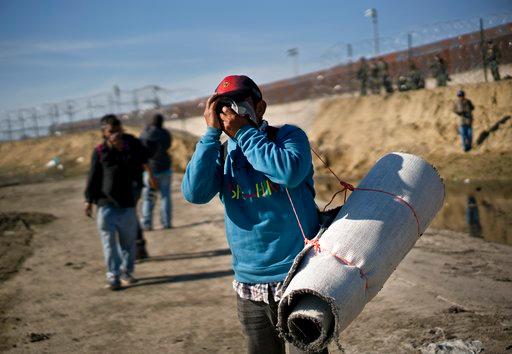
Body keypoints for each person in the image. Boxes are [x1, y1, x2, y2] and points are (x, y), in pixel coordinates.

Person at [181, 75, 325, 354]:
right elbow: (194, 193)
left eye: (239, 103)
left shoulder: (287, 137)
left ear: (260, 108)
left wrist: (245, 133)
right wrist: (211, 135)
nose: (231, 111)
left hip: (300, 275)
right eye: (224, 105)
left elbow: (288, 173)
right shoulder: (222, 153)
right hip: (250, 284)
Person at [84, 114, 155, 290]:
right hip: (105, 204)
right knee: (109, 244)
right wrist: (88, 200)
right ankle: (113, 276)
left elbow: (144, 159)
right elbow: (93, 176)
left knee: (128, 244)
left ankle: (126, 272)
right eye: (111, 131)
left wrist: (148, 176)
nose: (115, 134)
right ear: (104, 133)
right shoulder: (100, 151)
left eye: (117, 130)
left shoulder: (131, 143)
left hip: (128, 203)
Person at [139, 113, 173, 230]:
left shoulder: (146, 133)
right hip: (165, 167)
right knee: (165, 197)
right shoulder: (165, 133)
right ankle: (166, 222)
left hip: (150, 170)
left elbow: (140, 150)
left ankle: (147, 224)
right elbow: (168, 145)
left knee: (148, 198)